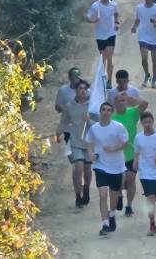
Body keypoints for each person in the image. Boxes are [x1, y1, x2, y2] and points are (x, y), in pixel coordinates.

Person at [85, 102, 128, 236]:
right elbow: (89, 143)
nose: (106, 112)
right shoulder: (94, 128)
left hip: (116, 166)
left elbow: (125, 142)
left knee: (113, 194)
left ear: (112, 112)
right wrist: (91, 154)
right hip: (100, 165)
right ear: (100, 111)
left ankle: (112, 214)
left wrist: (114, 148)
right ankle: (104, 223)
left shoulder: (118, 127)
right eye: (103, 109)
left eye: (109, 110)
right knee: (103, 194)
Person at [111, 88, 149, 217]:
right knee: (121, 181)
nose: (121, 103)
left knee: (131, 180)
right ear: (114, 104)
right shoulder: (111, 116)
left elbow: (145, 104)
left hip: (131, 153)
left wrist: (132, 100)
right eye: (118, 101)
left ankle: (129, 205)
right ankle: (120, 194)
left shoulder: (132, 112)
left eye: (123, 100)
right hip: (117, 154)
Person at [60, 79, 93, 208]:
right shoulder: (69, 106)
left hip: (89, 142)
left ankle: (87, 188)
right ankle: (78, 195)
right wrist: (59, 132)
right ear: (76, 91)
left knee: (87, 169)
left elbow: (100, 123)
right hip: (75, 141)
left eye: (85, 89)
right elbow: (64, 122)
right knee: (78, 168)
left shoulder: (92, 106)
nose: (83, 91)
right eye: (80, 88)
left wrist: (89, 121)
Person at [131, 0, 156, 88]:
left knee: (155, 60)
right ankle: (147, 74)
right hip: (143, 36)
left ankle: (154, 79)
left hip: (155, 37)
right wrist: (134, 27)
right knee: (144, 58)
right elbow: (138, 19)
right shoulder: (139, 8)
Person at [85, 0, 119, 88]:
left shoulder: (113, 5)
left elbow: (116, 13)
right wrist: (93, 20)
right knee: (102, 58)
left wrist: (116, 23)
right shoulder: (96, 6)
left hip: (111, 34)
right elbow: (88, 16)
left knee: (109, 57)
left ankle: (109, 81)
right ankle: (102, 78)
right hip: (100, 35)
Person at [55, 67, 82, 145]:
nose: (77, 79)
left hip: (81, 125)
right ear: (69, 78)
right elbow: (57, 107)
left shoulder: (86, 90)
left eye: (78, 77)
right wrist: (65, 110)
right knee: (70, 152)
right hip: (68, 126)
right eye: (74, 77)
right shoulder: (63, 91)